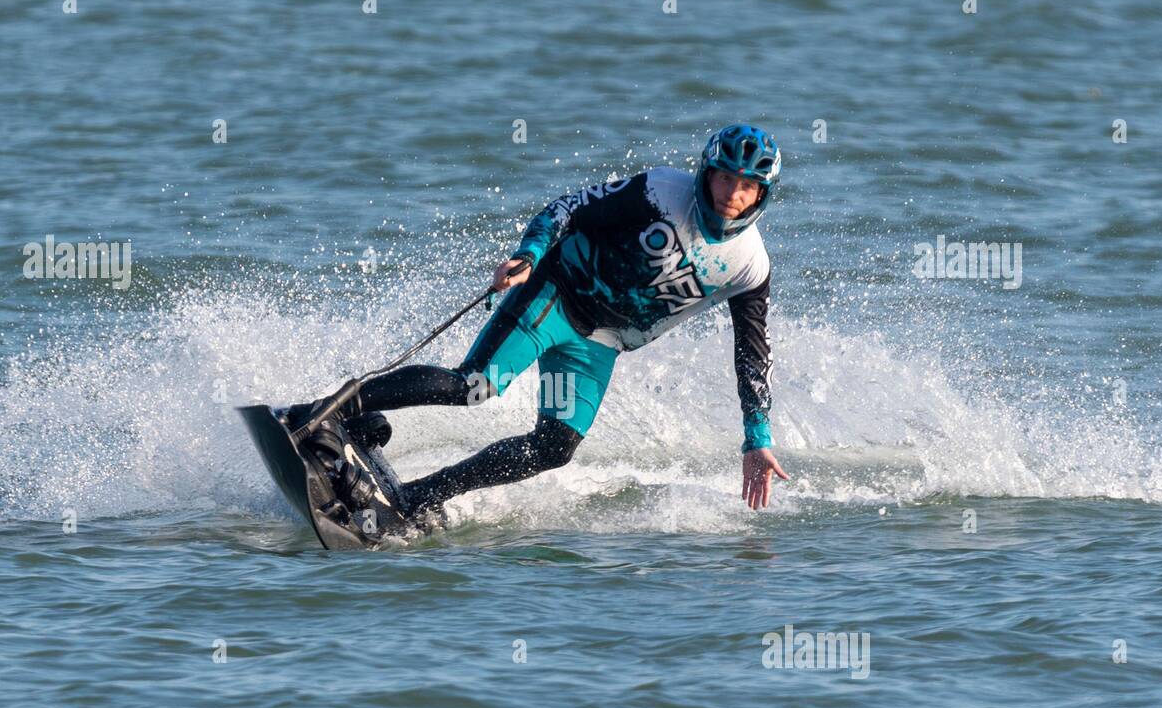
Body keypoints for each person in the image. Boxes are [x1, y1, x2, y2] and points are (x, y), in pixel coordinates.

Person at [290, 123, 790, 517]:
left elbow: (751, 354)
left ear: (761, 195)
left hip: (597, 344)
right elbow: (568, 209)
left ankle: (418, 497)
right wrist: (529, 254)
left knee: (554, 446)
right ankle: (324, 412)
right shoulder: (659, 192)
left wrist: (757, 439)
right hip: (555, 295)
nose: (733, 193)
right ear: (706, 172)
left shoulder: (749, 266)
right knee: (476, 386)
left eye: (748, 186)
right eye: (726, 177)